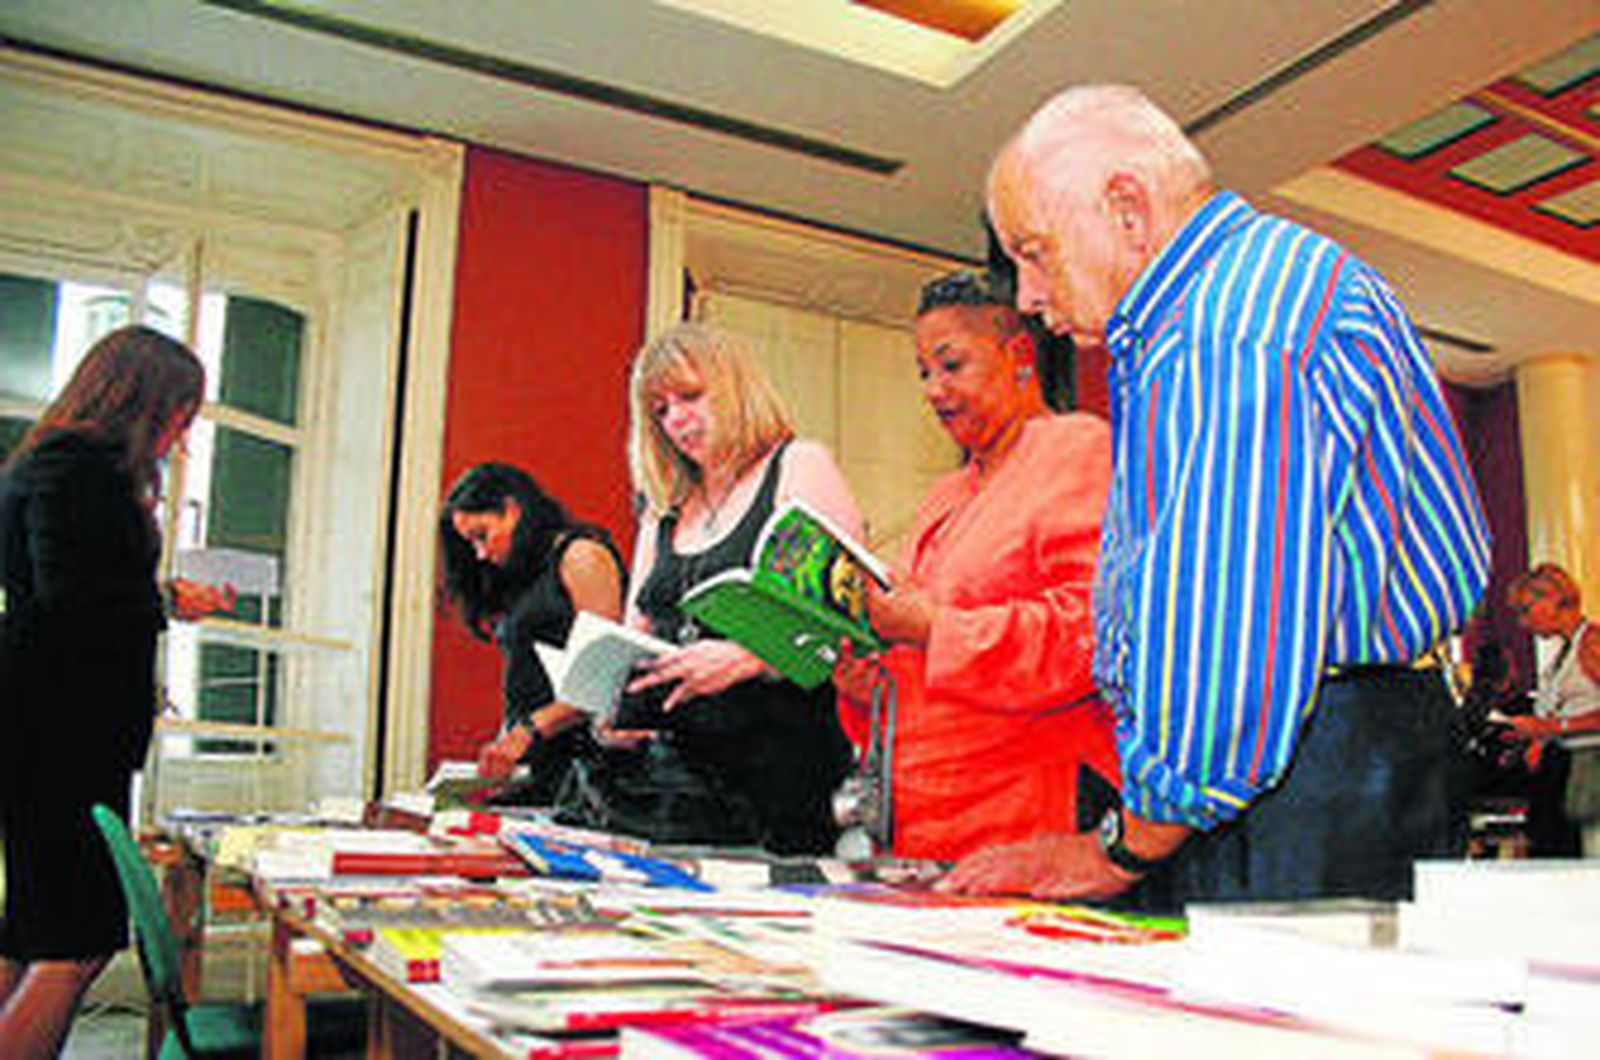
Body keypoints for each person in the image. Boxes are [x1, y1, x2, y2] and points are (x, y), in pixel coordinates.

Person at [944, 84, 1491, 906]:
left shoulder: (1223, 331)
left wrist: (1124, 847)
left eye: (1034, 252)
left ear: (1127, 208)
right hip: (1327, 755)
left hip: (1304, 775)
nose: (1025, 295)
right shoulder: (1243, 292)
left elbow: (1227, 632)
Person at [1, 325, 234, 1058]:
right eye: (180, 414)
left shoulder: (45, 462)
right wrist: (158, 601)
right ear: (143, 402)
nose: (182, 435)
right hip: (60, 735)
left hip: (41, 726)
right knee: (76, 946)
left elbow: (67, 587)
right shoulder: (80, 471)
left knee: (30, 932)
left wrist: (160, 594)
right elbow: (78, 603)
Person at [832, 270, 1119, 862]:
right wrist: (865, 682)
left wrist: (929, 628)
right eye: (924, 373)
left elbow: (1088, 635)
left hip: (1030, 828)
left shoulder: (1078, 448)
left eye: (951, 365)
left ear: (1017, 356)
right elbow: (916, 659)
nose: (934, 390)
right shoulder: (945, 493)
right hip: (918, 830)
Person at [616, 321, 858, 855]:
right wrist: (610, 704)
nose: (677, 419)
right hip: (674, 788)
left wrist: (749, 657)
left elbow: (848, 628)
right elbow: (637, 629)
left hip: (780, 776)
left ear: (735, 387)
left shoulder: (798, 465)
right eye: (660, 409)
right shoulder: (664, 505)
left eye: (691, 397)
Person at [438, 462, 626, 800]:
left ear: (513, 510)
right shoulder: (524, 576)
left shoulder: (582, 556)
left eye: (482, 535)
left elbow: (605, 676)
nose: (480, 554)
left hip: (588, 766)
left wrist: (527, 731)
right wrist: (505, 747)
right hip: (538, 763)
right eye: (471, 544)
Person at [1504, 564, 1600, 856]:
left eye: (1525, 610)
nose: (1523, 622)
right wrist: (1535, 736)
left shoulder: (1592, 643)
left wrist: (1551, 729)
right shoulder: (1564, 650)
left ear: (1552, 600)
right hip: (1565, 767)